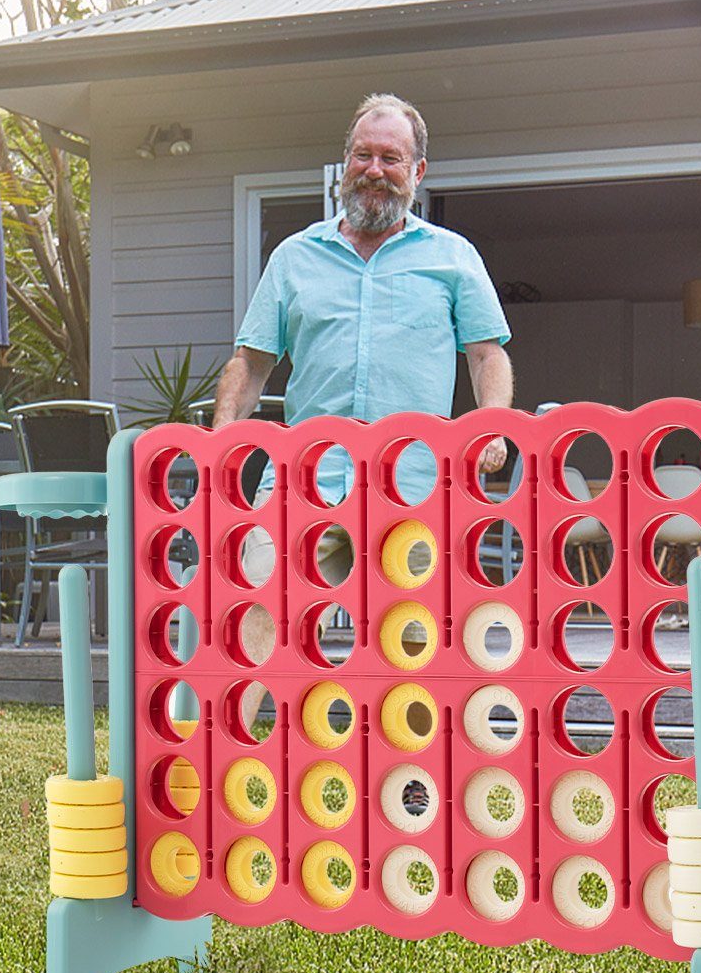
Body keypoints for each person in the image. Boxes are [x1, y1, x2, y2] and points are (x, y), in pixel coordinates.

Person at [212, 94, 514, 621]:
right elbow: (251, 361)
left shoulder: (453, 257)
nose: (374, 170)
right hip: (304, 483)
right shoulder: (293, 257)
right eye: (362, 155)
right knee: (260, 619)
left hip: (417, 486)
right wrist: (222, 438)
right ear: (344, 165)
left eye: (390, 159)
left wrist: (490, 424)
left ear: (417, 171)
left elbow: (487, 356)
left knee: (420, 655)